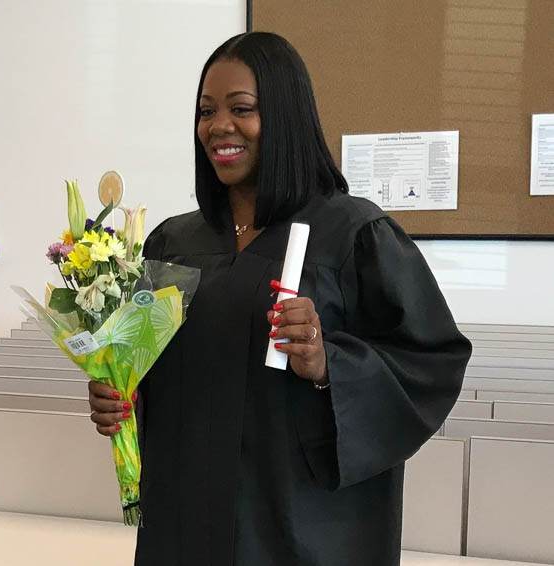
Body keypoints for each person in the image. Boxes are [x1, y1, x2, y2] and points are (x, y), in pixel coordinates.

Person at [88, 32, 472, 566]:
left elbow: (429, 362)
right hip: (186, 520)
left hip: (298, 527)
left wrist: (325, 363)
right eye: (206, 111)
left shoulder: (352, 234)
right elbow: (145, 367)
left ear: (286, 116)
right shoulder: (173, 243)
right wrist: (119, 394)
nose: (218, 126)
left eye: (241, 109)